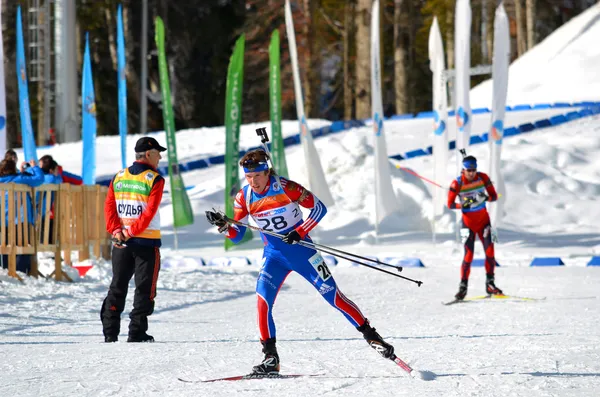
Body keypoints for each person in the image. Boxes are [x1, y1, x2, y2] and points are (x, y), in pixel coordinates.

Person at [206, 149, 395, 376]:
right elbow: (237, 236)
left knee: (334, 297)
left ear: (267, 172)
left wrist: (300, 231)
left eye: (257, 175)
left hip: (303, 252)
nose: (253, 181)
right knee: (262, 302)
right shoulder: (243, 197)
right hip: (274, 256)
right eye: (248, 177)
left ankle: (373, 337)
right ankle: (270, 358)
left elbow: (319, 208)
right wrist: (224, 226)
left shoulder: (286, 187)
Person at [100, 137, 166, 343]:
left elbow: (109, 207)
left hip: (121, 242)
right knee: (145, 289)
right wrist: (131, 232)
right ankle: (136, 332)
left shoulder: (119, 176)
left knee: (117, 285)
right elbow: (148, 212)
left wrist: (116, 230)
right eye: (158, 152)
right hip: (146, 242)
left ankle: (110, 332)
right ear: (148, 154)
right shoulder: (154, 178)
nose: (160, 157)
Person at [447, 154, 502, 300]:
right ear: (463, 170)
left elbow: (495, 196)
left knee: (491, 252)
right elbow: (450, 204)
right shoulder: (456, 184)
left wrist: (484, 197)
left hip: (485, 222)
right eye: (469, 170)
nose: (472, 173)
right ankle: (463, 287)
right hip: (467, 225)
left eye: (474, 170)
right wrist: (465, 203)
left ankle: (490, 284)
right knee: (468, 255)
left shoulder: (483, 177)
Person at [0, 158, 44, 273]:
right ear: (13, 169)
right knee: (25, 243)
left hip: (3, 223)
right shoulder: (19, 179)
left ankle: (6, 270)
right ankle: (21, 271)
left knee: (5, 244)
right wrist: (34, 167)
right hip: (21, 222)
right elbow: (39, 179)